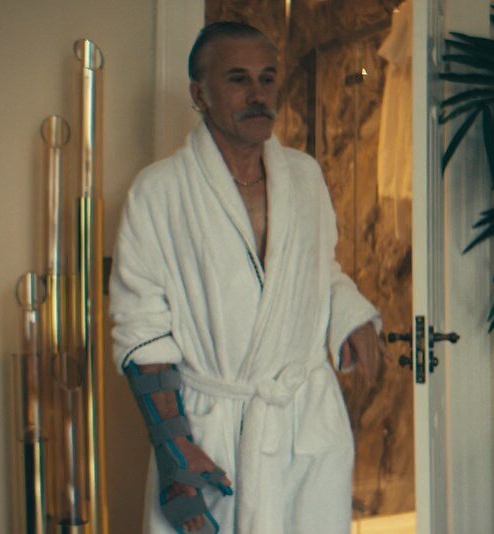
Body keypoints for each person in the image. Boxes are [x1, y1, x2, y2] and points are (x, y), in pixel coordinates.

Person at [109, 22, 386, 533]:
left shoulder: (304, 176)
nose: (258, 94)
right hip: (211, 432)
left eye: (267, 78)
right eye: (238, 79)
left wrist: (351, 316)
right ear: (199, 94)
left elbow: (320, 269)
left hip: (304, 421)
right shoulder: (159, 192)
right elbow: (140, 328)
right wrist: (173, 446)